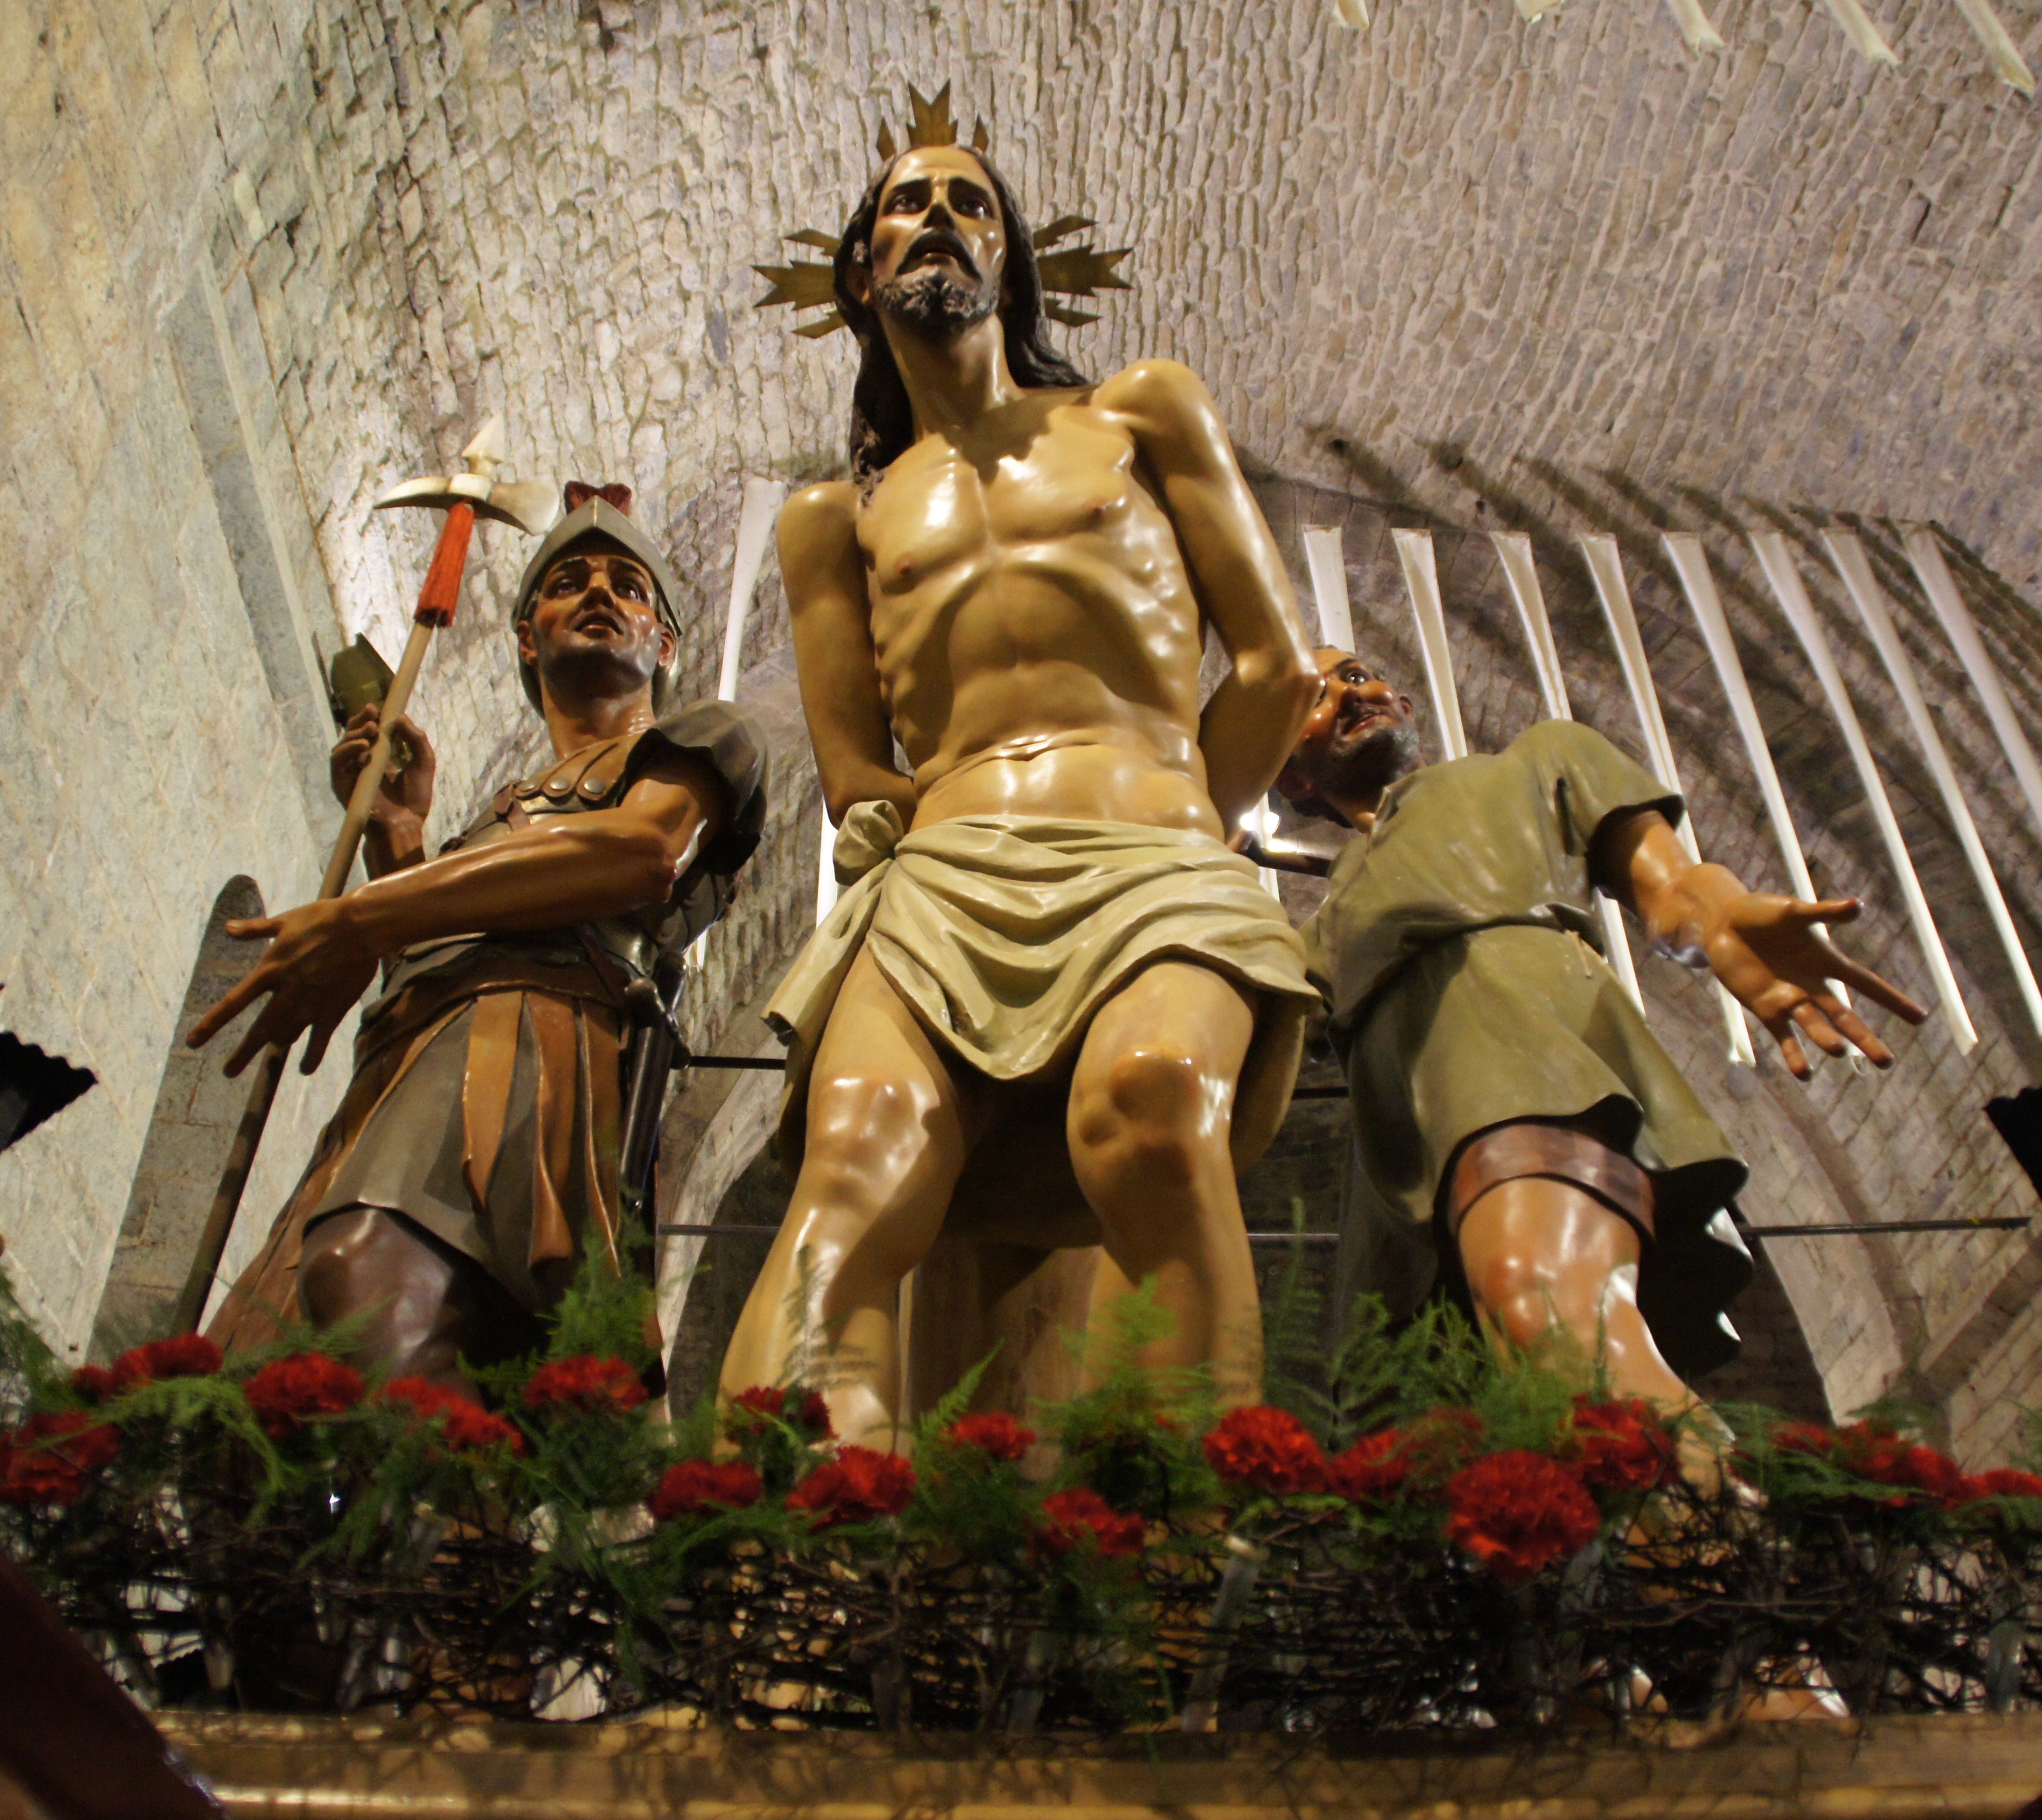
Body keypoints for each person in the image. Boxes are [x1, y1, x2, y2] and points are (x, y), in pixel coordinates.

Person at [718, 135, 1318, 1441]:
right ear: (862, 273)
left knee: (1154, 1105)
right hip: (950, 875)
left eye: (970, 203)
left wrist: (1179, 818)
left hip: (1152, 849)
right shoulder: (835, 520)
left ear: (1010, 260)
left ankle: (1166, 1518)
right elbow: (854, 773)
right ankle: (797, 1539)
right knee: (855, 1157)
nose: (939, 216)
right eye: (907, 204)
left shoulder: (1138, 416)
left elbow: (1276, 668)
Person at [192, 484, 768, 1396]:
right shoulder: (492, 823)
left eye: (628, 587)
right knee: (276, 1351)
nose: (599, 592)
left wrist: (363, 915)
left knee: (367, 1281)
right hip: (411, 1071)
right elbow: (432, 958)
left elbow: (640, 854)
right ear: (527, 640)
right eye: (568, 583)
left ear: (663, 645)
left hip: (536, 1057)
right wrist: (400, 837)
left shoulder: (708, 740)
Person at [1275, 646, 1926, 1414]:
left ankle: (1693, 1484)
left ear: (1406, 704)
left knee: (1546, 1313)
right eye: (1315, 696)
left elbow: (1671, 885)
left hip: (1522, 1051)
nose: (1352, 694)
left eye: (1357, 674)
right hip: (1401, 1157)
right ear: (1294, 779)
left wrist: (1719, 913)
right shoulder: (1324, 931)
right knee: (1452, 1429)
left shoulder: (1535, 764)